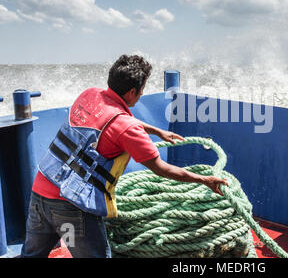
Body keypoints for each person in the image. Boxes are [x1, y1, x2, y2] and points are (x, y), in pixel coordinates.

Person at [20, 55, 228, 258]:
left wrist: (157, 131)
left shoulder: (90, 94)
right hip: (70, 210)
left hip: (40, 193)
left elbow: (112, 118)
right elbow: (162, 169)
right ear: (132, 92)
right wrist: (205, 180)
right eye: (142, 89)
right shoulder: (128, 128)